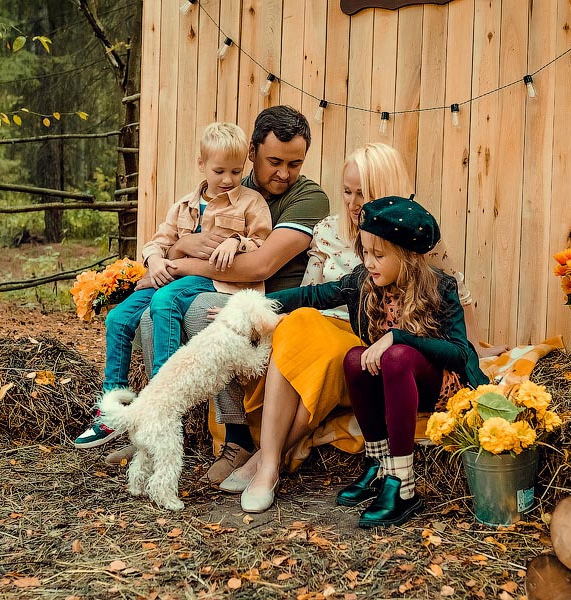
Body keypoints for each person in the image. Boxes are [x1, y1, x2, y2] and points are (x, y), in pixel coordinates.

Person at [102, 106, 331, 480]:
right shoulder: (229, 182)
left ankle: (237, 440)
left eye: (295, 163)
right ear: (252, 151)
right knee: (150, 314)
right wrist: (179, 249)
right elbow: (177, 241)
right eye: (274, 162)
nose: (284, 173)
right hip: (219, 286)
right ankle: (155, 425)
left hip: (265, 302)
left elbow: (260, 266)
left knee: (203, 314)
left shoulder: (308, 197)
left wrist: (181, 264)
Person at [239, 195, 489, 521]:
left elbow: (459, 353)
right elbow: (312, 295)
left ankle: (402, 484)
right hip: (391, 386)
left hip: (436, 387)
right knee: (354, 358)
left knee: (396, 356)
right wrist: (251, 305)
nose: (369, 262)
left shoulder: (440, 288)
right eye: (365, 252)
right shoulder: (364, 282)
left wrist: (397, 337)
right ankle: (377, 465)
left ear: (408, 257)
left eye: (379, 255)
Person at [74, 122, 272, 448]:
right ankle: (110, 408)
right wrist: (154, 260)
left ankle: (161, 399)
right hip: (173, 276)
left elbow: (261, 242)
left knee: (164, 300)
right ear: (201, 164)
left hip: (212, 279)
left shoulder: (251, 203)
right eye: (219, 171)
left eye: (236, 172)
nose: (227, 179)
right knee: (117, 318)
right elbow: (157, 242)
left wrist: (235, 241)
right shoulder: (184, 205)